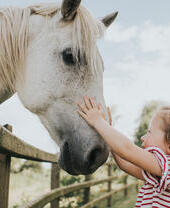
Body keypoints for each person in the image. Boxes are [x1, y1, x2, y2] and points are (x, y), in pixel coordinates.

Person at [76, 96, 170, 207]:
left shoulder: (167, 166)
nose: (143, 137)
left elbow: (127, 149)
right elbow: (126, 164)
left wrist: (98, 121)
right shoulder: (158, 173)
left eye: (149, 132)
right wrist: (107, 134)